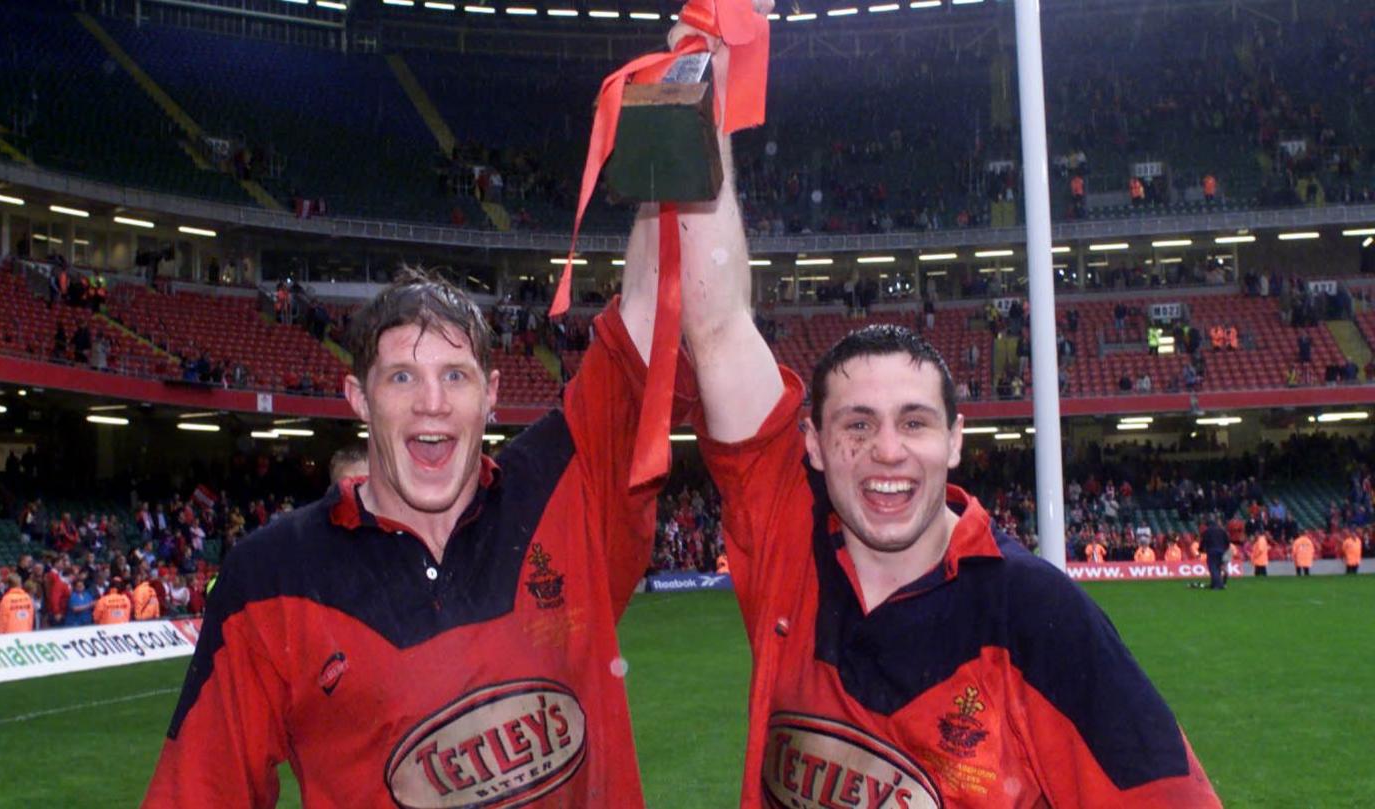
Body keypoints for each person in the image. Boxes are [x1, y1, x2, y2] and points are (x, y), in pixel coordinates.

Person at [671, 43, 1217, 805]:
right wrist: (712, 78)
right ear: (814, 446)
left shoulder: (1038, 615)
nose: (886, 450)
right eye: (855, 425)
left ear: (956, 441)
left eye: (915, 422)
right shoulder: (786, 547)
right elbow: (720, 328)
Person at [144, 204, 692, 801]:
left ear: (492, 396)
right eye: (402, 377)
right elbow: (199, 789)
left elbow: (647, 305)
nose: (432, 402)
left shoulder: (567, 482)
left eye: (456, 375)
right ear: (359, 397)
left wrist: (654, 122)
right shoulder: (272, 577)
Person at [1200, 515, 1230, 590]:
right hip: (1221, 551)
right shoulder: (1222, 531)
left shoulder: (1207, 531)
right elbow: (1227, 542)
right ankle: (1215, 583)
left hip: (1212, 551)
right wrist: (1224, 549)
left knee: (1213, 568)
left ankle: (1217, 585)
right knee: (1218, 568)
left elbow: (1203, 542)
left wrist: (1201, 549)